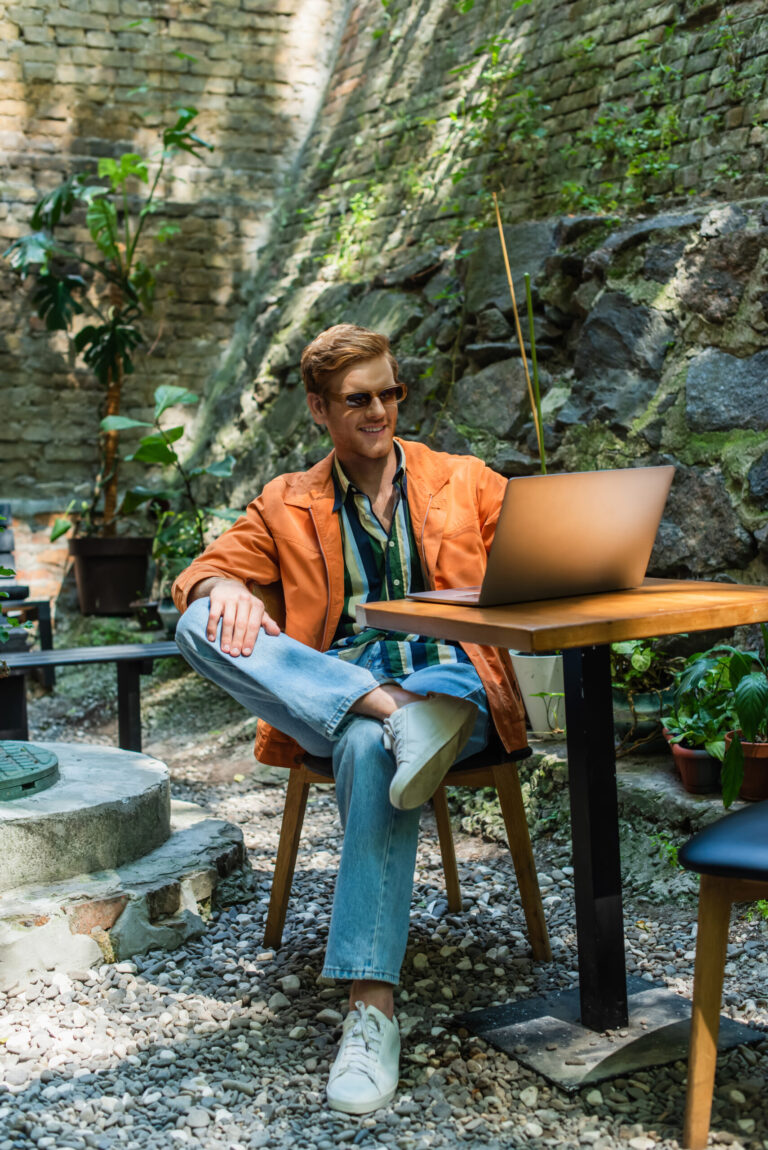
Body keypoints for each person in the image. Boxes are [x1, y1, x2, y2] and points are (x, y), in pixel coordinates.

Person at [172, 323, 527, 1115]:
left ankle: (373, 1012)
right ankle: (383, 712)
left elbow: (539, 558)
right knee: (202, 630)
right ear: (319, 409)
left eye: (390, 393)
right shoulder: (287, 502)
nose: (379, 411)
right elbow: (201, 574)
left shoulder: (464, 480)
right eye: (358, 399)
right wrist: (219, 588)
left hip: (451, 688)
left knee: (368, 747)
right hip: (339, 684)